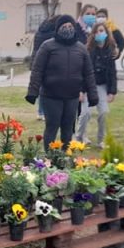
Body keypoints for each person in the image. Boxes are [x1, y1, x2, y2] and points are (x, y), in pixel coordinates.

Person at [26, 14, 98, 150]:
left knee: (68, 128)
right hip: (51, 96)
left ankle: (65, 157)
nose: (67, 29)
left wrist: (93, 94)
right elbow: (37, 70)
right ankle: (49, 157)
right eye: (64, 26)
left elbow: (88, 73)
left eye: (70, 26)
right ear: (58, 29)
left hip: (72, 96)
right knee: (52, 127)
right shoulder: (47, 46)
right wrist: (32, 92)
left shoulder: (81, 48)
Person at [76, 22, 118, 147]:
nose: (99, 33)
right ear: (93, 34)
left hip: (102, 86)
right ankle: (79, 138)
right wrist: (81, 91)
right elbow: (82, 72)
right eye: (97, 31)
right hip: (88, 86)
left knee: (104, 112)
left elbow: (112, 73)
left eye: (102, 31)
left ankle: (101, 140)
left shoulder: (110, 51)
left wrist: (112, 91)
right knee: (86, 113)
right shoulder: (88, 50)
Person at [31, 16, 59, 121]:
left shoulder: (40, 32)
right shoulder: (52, 35)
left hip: (37, 62)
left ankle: (40, 111)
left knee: (42, 87)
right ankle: (43, 112)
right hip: (47, 63)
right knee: (46, 89)